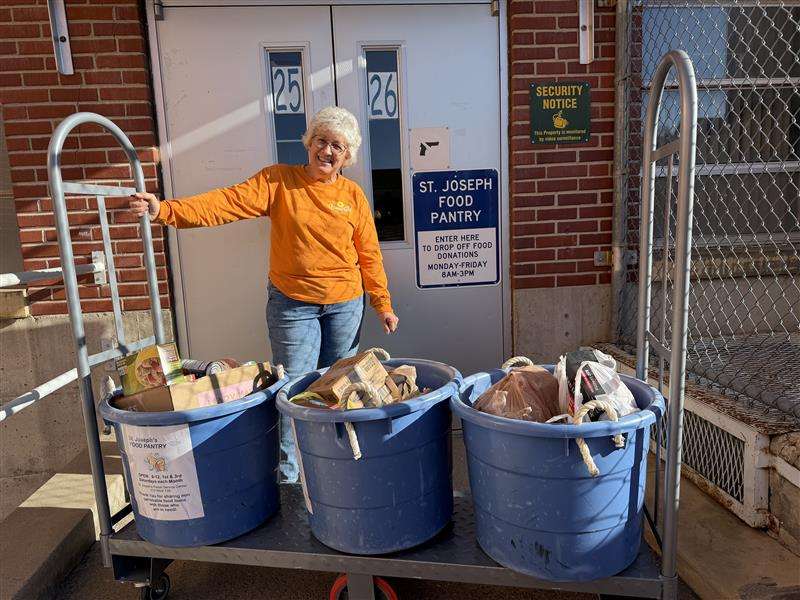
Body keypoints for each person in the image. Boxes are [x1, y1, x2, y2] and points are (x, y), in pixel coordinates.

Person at [129, 106, 399, 482]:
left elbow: (369, 254)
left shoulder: (352, 196)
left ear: (347, 155)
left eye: (337, 145)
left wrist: (382, 304)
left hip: (345, 304)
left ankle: (334, 471)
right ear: (309, 143)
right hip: (293, 305)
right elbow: (225, 203)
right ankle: (290, 478)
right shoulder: (279, 181)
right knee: (293, 391)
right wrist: (166, 210)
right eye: (321, 140)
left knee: (339, 390)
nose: (327, 151)